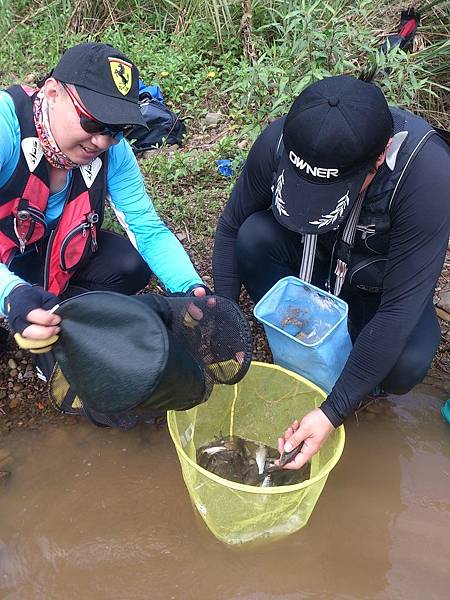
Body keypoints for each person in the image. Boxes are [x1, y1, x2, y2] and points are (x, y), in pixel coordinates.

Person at [212, 74, 450, 469]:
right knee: (253, 237)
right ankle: (298, 337)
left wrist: (332, 411)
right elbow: (231, 226)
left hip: (374, 286)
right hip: (312, 261)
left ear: (379, 158)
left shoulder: (428, 177)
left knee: (408, 359)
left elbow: (399, 311)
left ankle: (358, 378)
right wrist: (224, 319)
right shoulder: (282, 141)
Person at [0, 42, 208, 383]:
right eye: (92, 122)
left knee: (129, 266)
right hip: (8, 256)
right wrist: (10, 294)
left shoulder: (114, 153)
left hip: (50, 250)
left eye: (117, 129)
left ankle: (55, 310)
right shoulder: (6, 129)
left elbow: (147, 228)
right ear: (52, 93)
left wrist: (188, 286)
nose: (102, 142)